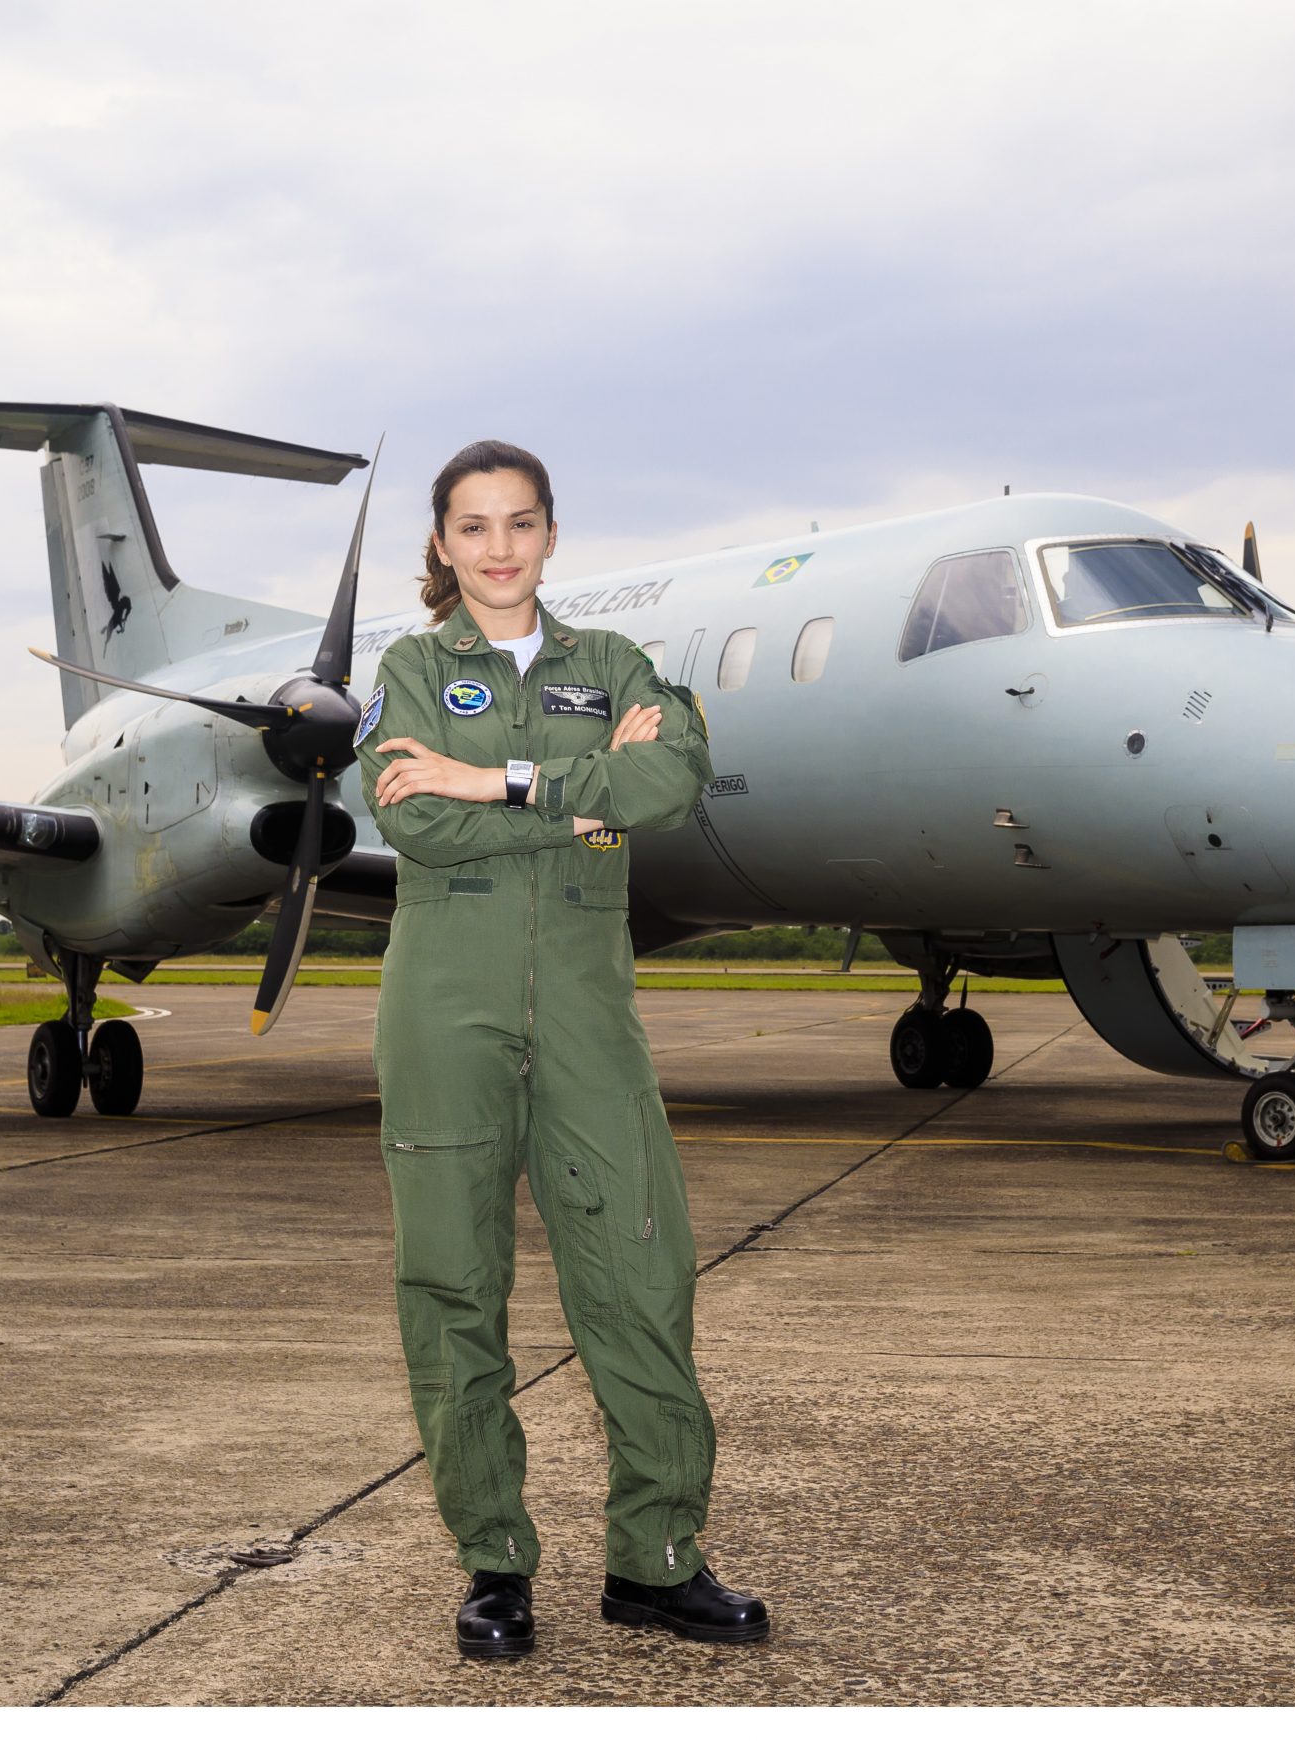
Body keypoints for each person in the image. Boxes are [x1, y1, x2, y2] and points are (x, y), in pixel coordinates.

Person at [356, 440, 770, 1659]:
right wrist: (579, 798)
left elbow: (673, 774)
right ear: (442, 546)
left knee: (641, 1276)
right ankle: (494, 1564)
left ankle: (656, 1562)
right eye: (472, 528)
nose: (497, 549)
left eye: (519, 524)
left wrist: (503, 781)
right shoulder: (411, 666)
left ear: (549, 536)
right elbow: (412, 816)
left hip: (591, 1016)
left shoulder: (617, 664)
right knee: (452, 1282)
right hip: (446, 1009)